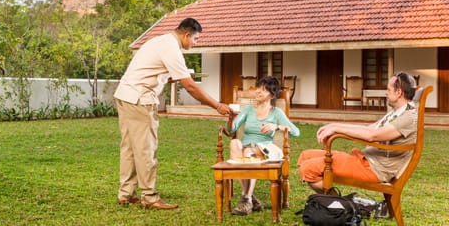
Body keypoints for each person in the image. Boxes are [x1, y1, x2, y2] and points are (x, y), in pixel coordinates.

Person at [113, 17, 232, 210]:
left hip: (125, 96)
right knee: (145, 149)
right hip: (140, 100)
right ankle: (150, 197)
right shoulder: (172, 49)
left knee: (130, 148)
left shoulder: (159, 41)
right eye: (196, 39)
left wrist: (170, 78)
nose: (195, 43)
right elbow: (190, 87)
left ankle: (125, 194)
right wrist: (217, 105)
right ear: (186, 35)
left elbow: (151, 71)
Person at [297, 72, 417, 194]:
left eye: (388, 89)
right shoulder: (397, 112)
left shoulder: (408, 117)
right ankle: (336, 204)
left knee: (308, 169)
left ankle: (337, 205)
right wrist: (335, 125)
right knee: (305, 156)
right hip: (365, 159)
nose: (386, 93)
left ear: (399, 92)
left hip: (374, 169)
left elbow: (372, 136)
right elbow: (370, 129)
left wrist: (336, 129)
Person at [228, 76, 300, 216]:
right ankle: (249, 198)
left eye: (263, 90)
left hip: (264, 149)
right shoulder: (248, 110)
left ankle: (246, 198)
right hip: (246, 147)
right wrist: (231, 118)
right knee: (234, 142)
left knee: (249, 152)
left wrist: (277, 126)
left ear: (272, 95)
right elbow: (232, 129)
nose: (258, 92)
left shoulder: (276, 112)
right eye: (258, 88)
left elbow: (296, 132)